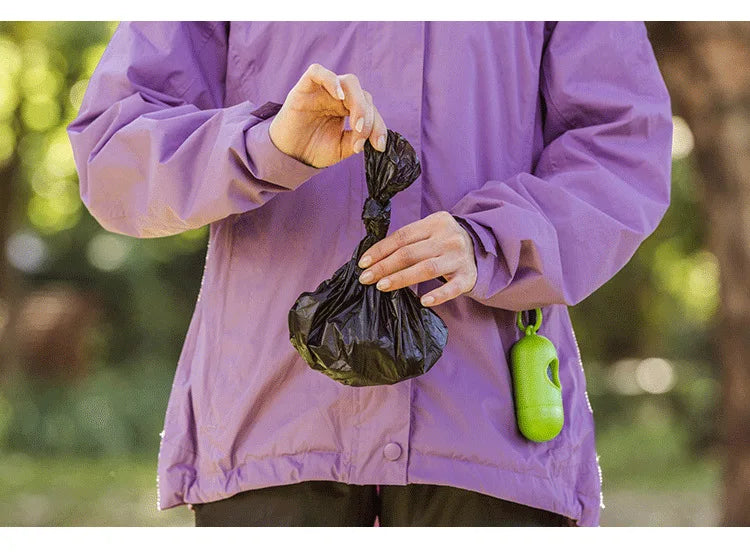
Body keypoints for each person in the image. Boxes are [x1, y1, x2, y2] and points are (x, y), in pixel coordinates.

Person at [67, 21, 672, 527]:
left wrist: (492, 239)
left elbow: (622, 147)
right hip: (272, 425)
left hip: (489, 432)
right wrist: (266, 145)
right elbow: (113, 146)